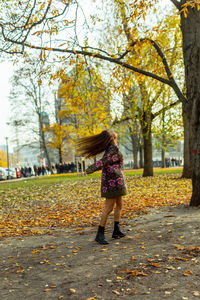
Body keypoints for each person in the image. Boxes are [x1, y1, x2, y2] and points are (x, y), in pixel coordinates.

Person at [76, 130, 127, 245]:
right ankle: (100, 234)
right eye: (112, 132)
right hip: (112, 183)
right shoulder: (112, 150)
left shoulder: (112, 148)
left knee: (119, 205)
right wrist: (89, 170)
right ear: (112, 137)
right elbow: (102, 162)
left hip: (118, 182)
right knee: (109, 208)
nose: (114, 132)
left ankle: (116, 230)